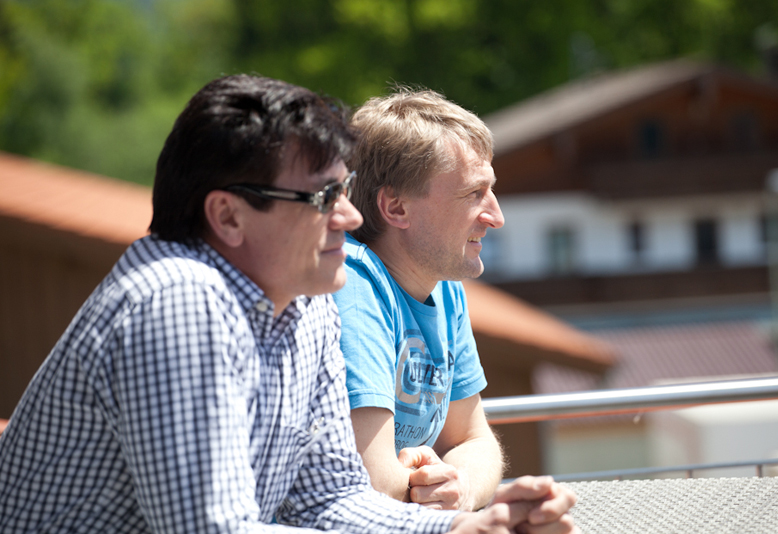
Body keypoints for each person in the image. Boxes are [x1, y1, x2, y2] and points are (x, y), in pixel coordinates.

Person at [0, 75, 578, 533]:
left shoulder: (306, 305)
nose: (350, 218)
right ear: (228, 216)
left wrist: (462, 529)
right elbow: (213, 530)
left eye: (343, 191)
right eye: (323, 197)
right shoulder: (177, 300)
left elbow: (331, 499)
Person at [333, 89, 508, 511]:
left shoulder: (444, 285)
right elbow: (371, 484)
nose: (496, 217)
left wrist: (459, 487)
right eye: (473, 194)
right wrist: (429, 483)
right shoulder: (351, 284)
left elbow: (474, 439)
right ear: (395, 207)